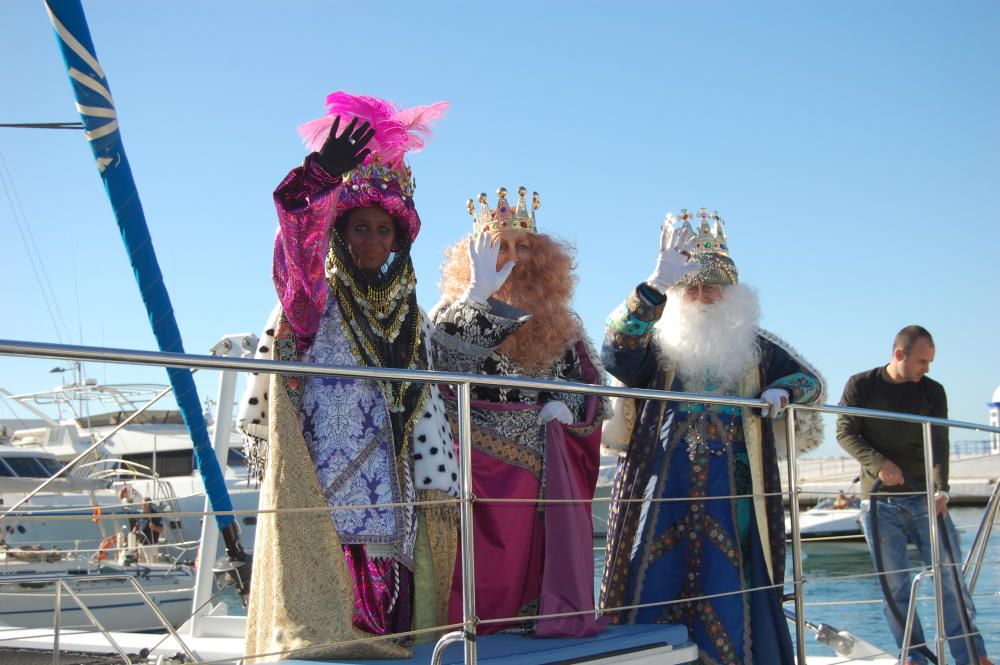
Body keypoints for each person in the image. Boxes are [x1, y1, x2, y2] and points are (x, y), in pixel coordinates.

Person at [237, 92, 459, 661]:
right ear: (340, 230)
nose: (371, 241)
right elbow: (295, 254)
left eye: (382, 231)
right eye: (359, 227)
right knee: (327, 630)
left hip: (395, 496)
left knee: (395, 627)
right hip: (324, 490)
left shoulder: (411, 313)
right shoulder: (315, 298)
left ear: (398, 239)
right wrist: (316, 182)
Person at [599, 209, 825, 665]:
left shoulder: (757, 347)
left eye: (712, 289)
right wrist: (653, 286)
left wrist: (783, 388)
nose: (702, 298)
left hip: (735, 488)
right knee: (651, 571)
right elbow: (615, 352)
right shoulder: (656, 342)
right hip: (661, 485)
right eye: (692, 289)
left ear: (732, 296)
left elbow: (811, 382)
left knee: (733, 581)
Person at [430, 187, 607, 637]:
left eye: (522, 246)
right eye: (499, 246)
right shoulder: (452, 310)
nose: (512, 256)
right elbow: (444, 370)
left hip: (545, 465)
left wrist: (565, 407)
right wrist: (477, 299)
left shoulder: (564, 325)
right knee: (479, 568)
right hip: (474, 466)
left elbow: (590, 386)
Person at [837, 326, 991, 665]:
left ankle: (973, 656)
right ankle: (914, 658)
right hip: (878, 502)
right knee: (896, 588)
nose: (927, 369)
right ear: (899, 355)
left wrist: (942, 490)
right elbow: (845, 432)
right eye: (922, 361)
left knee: (951, 578)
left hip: (925, 498)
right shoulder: (860, 385)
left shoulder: (933, 391)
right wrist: (879, 464)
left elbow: (939, 442)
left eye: (930, 362)